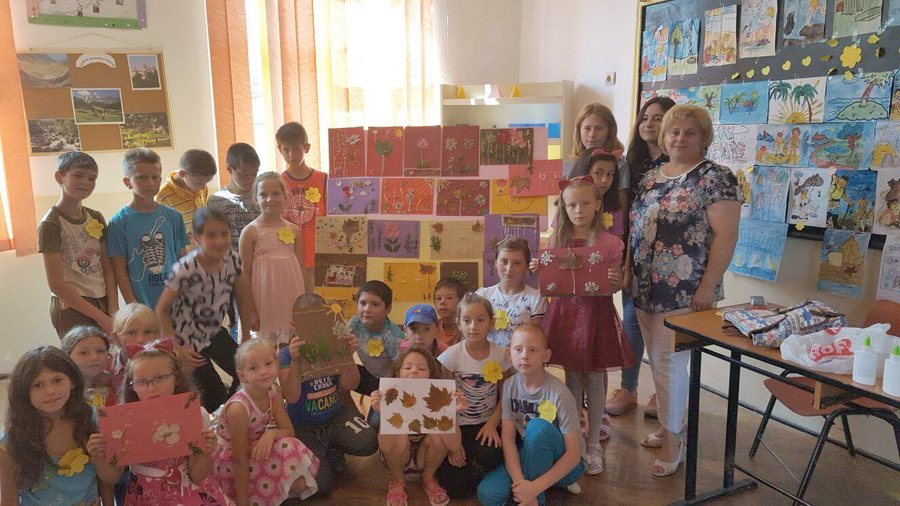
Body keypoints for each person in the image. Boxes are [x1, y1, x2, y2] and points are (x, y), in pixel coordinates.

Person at [628, 104, 741, 476]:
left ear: (703, 137)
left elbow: (726, 236)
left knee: (669, 365)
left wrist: (707, 287)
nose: (680, 138)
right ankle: (668, 425)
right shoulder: (651, 177)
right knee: (659, 364)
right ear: (664, 136)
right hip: (644, 287)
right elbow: (635, 231)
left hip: (685, 292)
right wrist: (628, 273)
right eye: (674, 131)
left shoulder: (715, 178)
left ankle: (674, 442)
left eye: (690, 132)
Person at [531, 176, 632, 475]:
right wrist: (540, 269)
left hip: (596, 315)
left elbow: (615, 285)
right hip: (566, 315)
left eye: (585, 203)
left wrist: (617, 281)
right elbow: (551, 282)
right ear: (564, 207)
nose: (579, 210)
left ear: (598, 204)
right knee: (573, 379)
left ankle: (594, 443)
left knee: (594, 379)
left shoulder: (610, 243)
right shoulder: (556, 241)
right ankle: (574, 439)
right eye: (572, 204)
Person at [608, 95, 676, 418]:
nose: (649, 124)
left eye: (658, 118)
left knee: (664, 329)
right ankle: (628, 388)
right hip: (633, 254)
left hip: (670, 260)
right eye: (645, 118)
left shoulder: (678, 163)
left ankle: (663, 394)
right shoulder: (629, 164)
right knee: (632, 321)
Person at [156, 208, 258, 412]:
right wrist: (176, 347)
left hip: (214, 331)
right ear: (196, 238)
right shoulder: (185, 269)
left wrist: (246, 336)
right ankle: (213, 421)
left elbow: (243, 297)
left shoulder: (233, 259)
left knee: (246, 372)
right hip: (187, 340)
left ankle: (232, 414)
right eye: (211, 235)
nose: (219, 241)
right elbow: (161, 309)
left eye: (224, 233)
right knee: (212, 392)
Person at [111, 339, 230, 504]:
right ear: (132, 386)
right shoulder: (123, 421)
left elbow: (198, 474)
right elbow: (112, 476)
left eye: (160, 378)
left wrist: (205, 452)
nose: (152, 387)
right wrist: (103, 454)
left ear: (177, 378)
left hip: (187, 494)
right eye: (142, 382)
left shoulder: (195, 414)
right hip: (143, 495)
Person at [477, 324, 584, 505]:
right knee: (487, 494)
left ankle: (536, 499)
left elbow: (573, 455)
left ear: (546, 356)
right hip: (527, 452)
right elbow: (508, 439)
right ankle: (537, 489)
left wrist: (534, 490)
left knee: (537, 426)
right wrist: (520, 481)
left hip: (565, 463)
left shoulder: (560, 393)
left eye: (533, 350)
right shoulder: (509, 386)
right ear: (510, 354)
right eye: (518, 349)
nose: (524, 356)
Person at [0, 346, 120, 505]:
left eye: (57, 380)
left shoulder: (94, 420)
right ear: (23, 392)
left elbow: (110, 479)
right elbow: (8, 499)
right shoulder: (12, 442)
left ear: (72, 382)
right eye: (38, 385)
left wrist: (99, 457)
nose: (50, 391)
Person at [213, 339, 319, 504]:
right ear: (242, 375)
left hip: (254, 448)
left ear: (276, 363)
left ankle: (272, 492)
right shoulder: (238, 409)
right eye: (253, 368)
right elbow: (239, 460)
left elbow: (289, 431)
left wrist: (270, 435)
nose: (263, 372)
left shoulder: (274, 391)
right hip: (232, 461)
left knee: (291, 447)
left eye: (268, 363)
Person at [278, 324, 377, 497]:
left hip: (335, 416)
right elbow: (291, 397)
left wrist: (348, 355)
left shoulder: (331, 347)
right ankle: (326, 451)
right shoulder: (286, 355)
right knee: (321, 486)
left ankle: (332, 447)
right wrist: (295, 362)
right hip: (303, 426)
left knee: (369, 440)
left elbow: (350, 384)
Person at [434, 293, 513, 499]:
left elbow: (506, 394)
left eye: (480, 320)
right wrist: (453, 444)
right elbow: (444, 402)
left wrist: (492, 424)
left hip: (487, 423)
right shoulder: (451, 356)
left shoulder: (500, 355)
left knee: (491, 455)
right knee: (456, 490)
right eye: (467, 320)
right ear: (459, 323)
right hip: (458, 425)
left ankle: (482, 467)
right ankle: (468, 466)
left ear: (491, 323)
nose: (473, 326)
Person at [371, 348, 466, 506]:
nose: (414, 371)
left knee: (439, 432)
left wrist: (450, 412)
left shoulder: (438, 397)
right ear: (398, 373)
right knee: (399, 433)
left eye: (421, 369)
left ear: (430, 374)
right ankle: (397, 481)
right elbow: (386, 446)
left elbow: (454, 445)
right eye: (408, 367)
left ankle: (428, 479)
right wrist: (384, 412)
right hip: (398, 461)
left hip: (426, 460)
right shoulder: (389, 395)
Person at [39, 151, 117, 336]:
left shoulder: (95, 217)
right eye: (78, 175)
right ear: (60, 177)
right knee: (81, 353)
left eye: (92, 178)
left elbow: (107, 266)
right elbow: (56, 284)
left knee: (109, 353)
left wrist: (113, 309)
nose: (85, 182)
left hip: (102, 300)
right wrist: (100, 317)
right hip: (72, 307)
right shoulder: (51, 224)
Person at [107, 148, 190, 308]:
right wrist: (133, 306)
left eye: (155, 177)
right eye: (142, 177)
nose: (150, 183)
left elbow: (183, 260)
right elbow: (119, 270)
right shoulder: (118, 223)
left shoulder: (174, 217)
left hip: (176, 304)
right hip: (142, 306)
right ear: (127, 182)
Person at [239, 171, 304, 346]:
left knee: (290, 345)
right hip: (263, 300)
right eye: (263, 194)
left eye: (275, 193)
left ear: (285, 196)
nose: (270, 199)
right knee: (266, 348)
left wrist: (304, 304)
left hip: (291, 296)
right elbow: (244, 276)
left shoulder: (294, 230)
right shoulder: (250, 232)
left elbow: (301, 269)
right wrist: (250, 310)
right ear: (256, 198)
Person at [277, 121, 326, 293]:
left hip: (317, 254)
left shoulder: (324, 179)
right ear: (279, 149)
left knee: (315, 301)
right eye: (286, 150)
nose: (291, 155)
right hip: (287, 254)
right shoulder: (277, 182)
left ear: (306, 147)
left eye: (296, 149)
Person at [476, 237, 548, 348]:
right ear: (496, 263)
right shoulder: (482, 296)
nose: (509, 268)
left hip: (521, 358)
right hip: (487, 357)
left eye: (517, 263)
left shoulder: (536, 299)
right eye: (504, 262)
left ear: (526, 266)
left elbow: (538, 339)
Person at [568, 103, 630, 212]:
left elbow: (621, 208)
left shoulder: (619, 165)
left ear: (609, 131)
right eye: (587, 128)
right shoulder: (570, 165)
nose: (592, 134)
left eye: (598, 128)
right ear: (579, 131)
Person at [347, 280, 404, 398]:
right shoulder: (355, 323)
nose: (367, 309)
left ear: (388, 309)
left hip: (387, 381)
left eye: (375, 304)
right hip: (367, 373)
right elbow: (337, 343)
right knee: (339, 370)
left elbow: (400, 370)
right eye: (363, 303)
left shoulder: (393, 337)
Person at [207, 143, 262, 252]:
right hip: (231, 259)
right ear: (229, 168)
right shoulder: (215, 201)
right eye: (244, 174)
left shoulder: (262, 194)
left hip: (261, 257)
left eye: (254, 174)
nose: (250, 179)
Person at [155, 148, 217, 238]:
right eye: (199, 183)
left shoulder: (201, 187)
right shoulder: (162, 197)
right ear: (182, 174)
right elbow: (163, 232)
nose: (203, 187)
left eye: (207, 182)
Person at [60, 325, 112, 408]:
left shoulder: (112, 387)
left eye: (100, 351)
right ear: (68, 357)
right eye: (83, 353)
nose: (94, 357)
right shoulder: (60, 393)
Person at [433, 277, 465, 347]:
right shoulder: (433, 328)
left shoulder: (466, 328)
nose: (442, 302)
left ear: (461, 301)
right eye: (438, 298)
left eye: (449, 298)